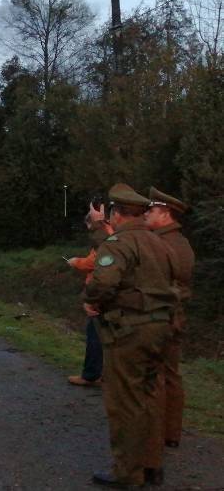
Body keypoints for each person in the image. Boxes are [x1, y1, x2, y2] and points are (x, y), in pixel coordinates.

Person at [83, 183, 178, 488]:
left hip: (130, 332)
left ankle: (128, 473)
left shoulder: (120, 243)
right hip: (160, 328)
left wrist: (91, 298)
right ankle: (152, 466)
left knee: (124, 402)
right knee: (150, 396)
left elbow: (103, 282)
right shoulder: (159, 242)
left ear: (117, 213)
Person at [145, 187, 194, 454]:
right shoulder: (180, 241)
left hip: (161, 317)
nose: (146, 215)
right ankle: (171, 433)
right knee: (172, 374)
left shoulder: (162, 243)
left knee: (158, 376)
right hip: (174, 316)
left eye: (151, 210)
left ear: (165, 214)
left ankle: (156, 435)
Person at [67, 207, 114, 387]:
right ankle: (105, 374)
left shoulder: (104, 238)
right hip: (110, 293)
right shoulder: (117, 235)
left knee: (95, 335)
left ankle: (90, 374)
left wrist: (75, 262)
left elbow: (94, 261)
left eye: (89, 225)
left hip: (99, 293)